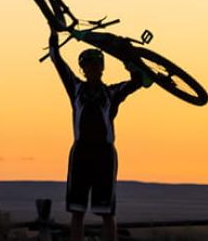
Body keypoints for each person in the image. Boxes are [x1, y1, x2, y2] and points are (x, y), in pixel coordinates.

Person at [47, 31, 151, 241]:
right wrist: (53, 34)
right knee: (77, 211)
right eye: (88, 65)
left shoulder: (112, 92)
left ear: (102, 67)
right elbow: (57, 60)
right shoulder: (75, 88)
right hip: (81, 153)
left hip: (104, 154)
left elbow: (138, 81)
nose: (93, 68)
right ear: (83, 69)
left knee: (107, 212)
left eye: (96, 64)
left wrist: (127, 59)